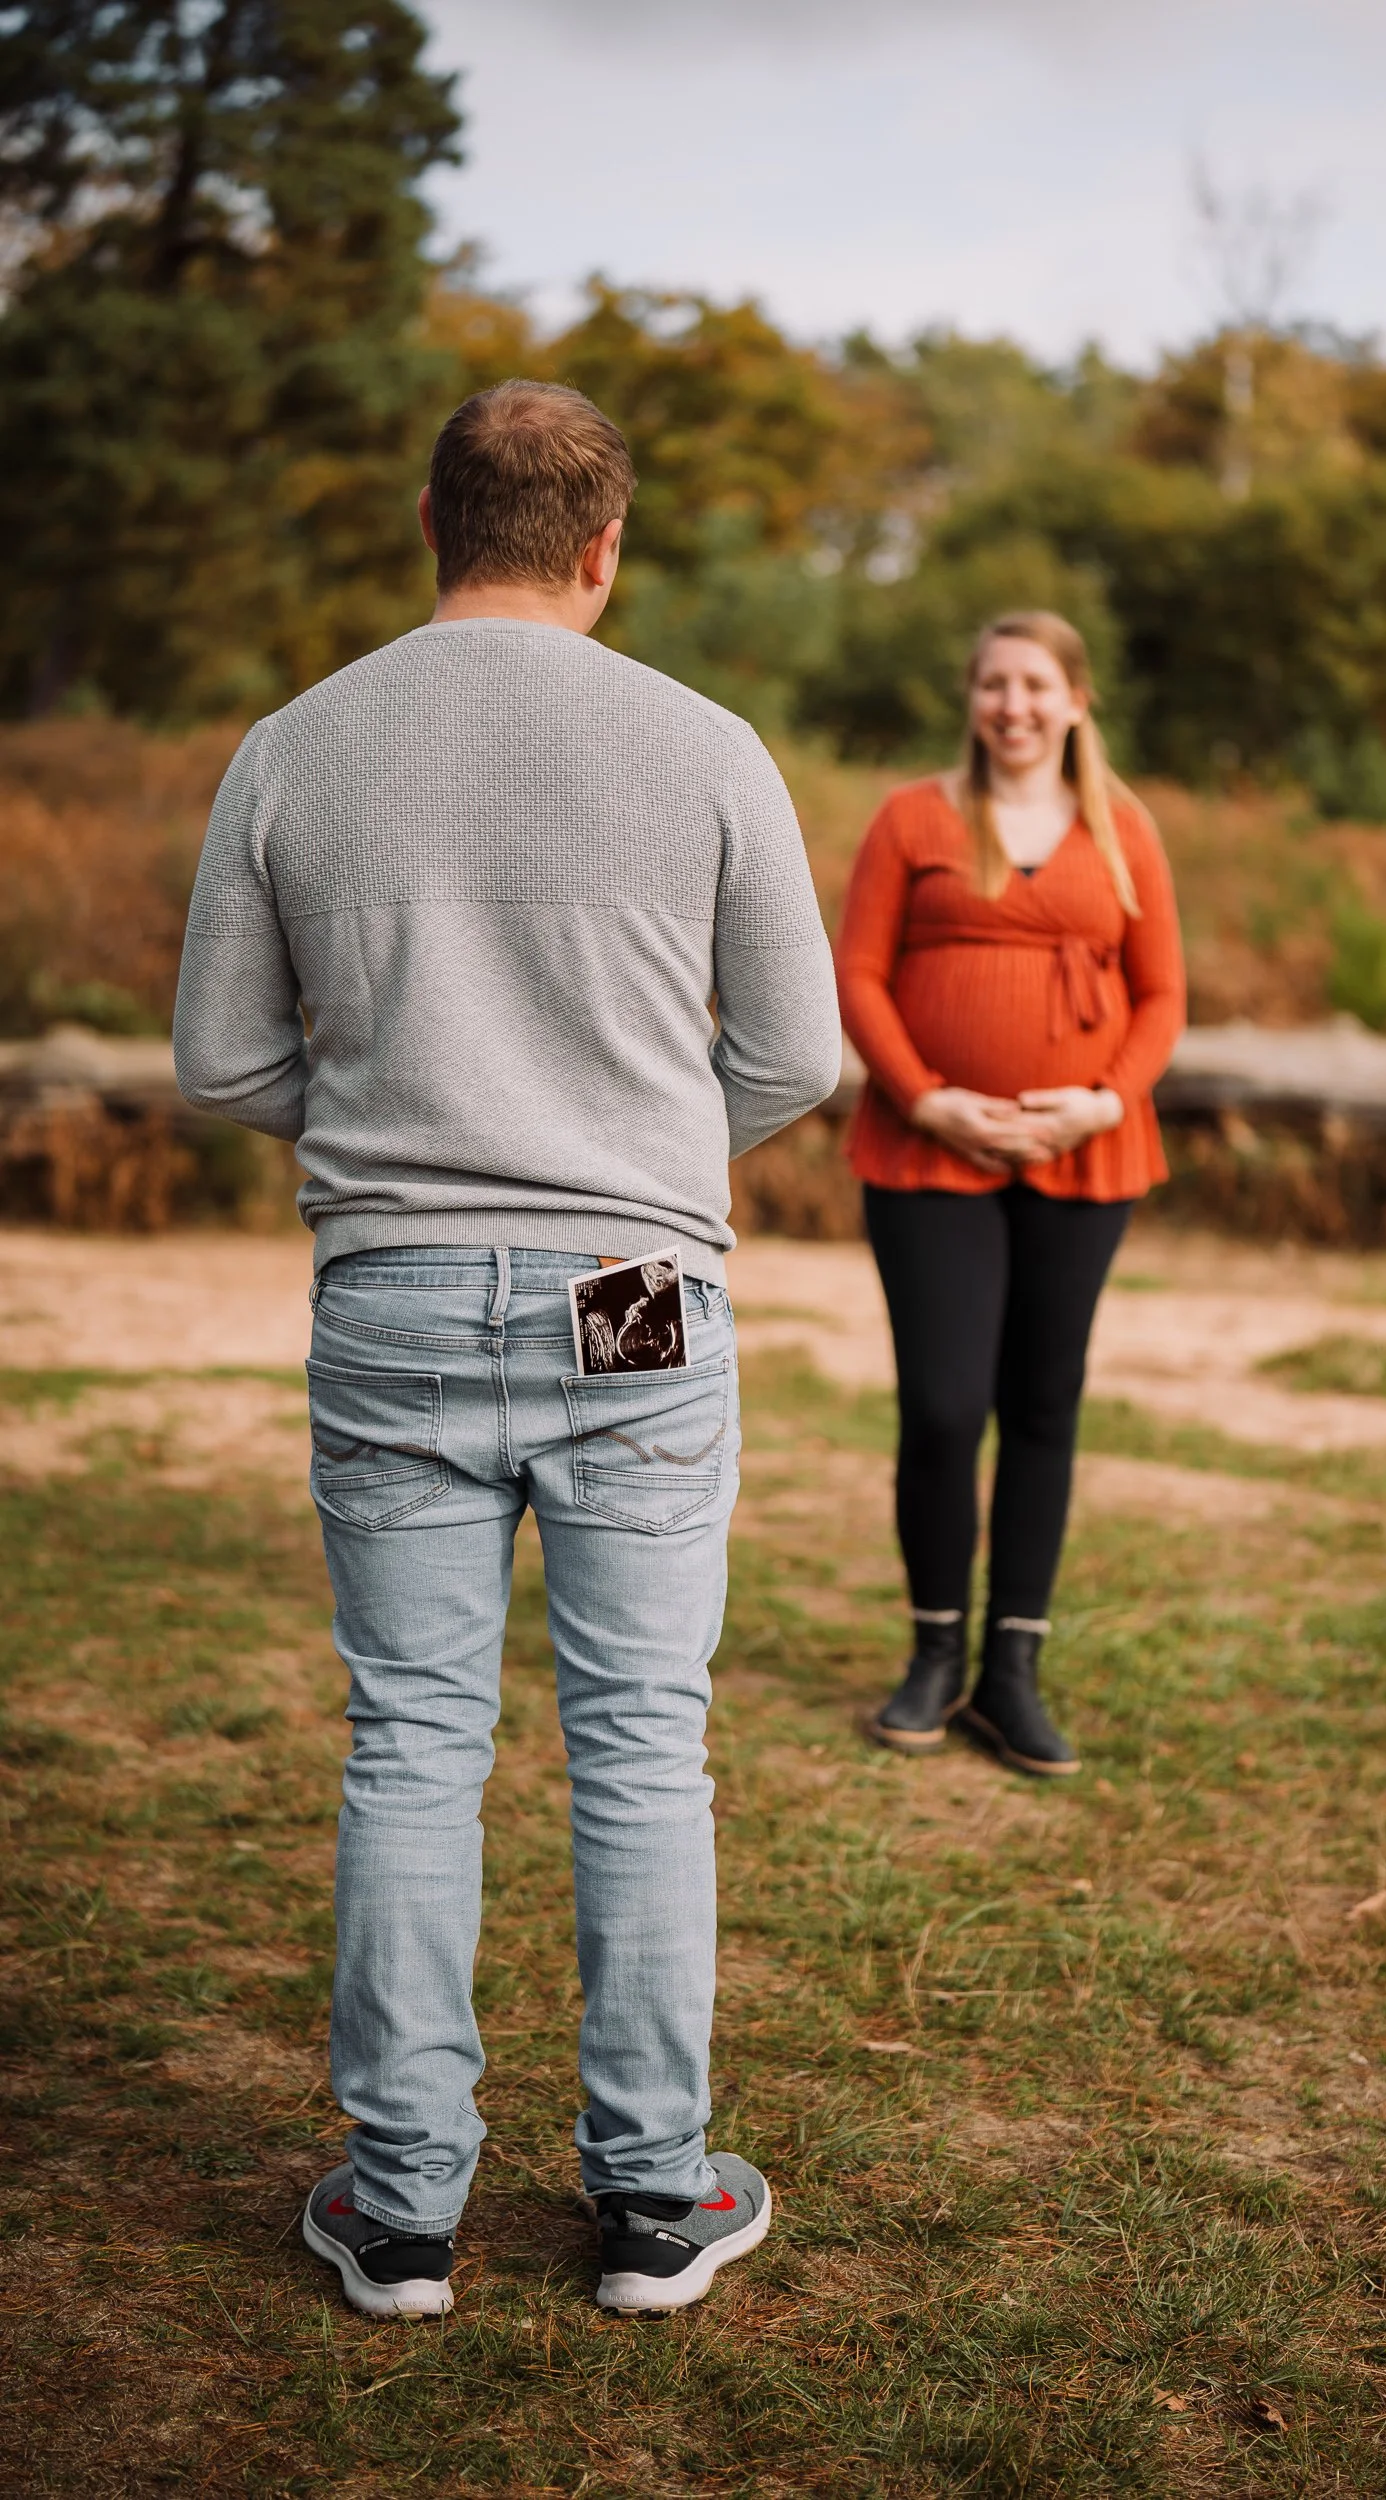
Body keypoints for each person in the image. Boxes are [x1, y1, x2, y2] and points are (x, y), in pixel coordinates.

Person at [172, 380, 842, 2318]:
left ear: (426, 520)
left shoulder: (295, 743)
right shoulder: (703, 743)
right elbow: (794, 1055)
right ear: (604, 545)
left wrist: (400, 1118)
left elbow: (220, 1059)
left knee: (410, 1737)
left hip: (388, 1275)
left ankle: (400, 2209)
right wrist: (624, 1144)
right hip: (631, 1283)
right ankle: (647, 2198)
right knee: (640, 1742)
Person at [834, 611, 1185, 1776]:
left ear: (1076, 699)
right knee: (941, 1405)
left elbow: (1162, 996)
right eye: (993, 683)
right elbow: (858, 974)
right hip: (932, 1149)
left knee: (1043, 1406)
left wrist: (1104, 1100)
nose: (1013, 704)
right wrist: (926, 1096)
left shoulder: (1123, 832)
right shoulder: (912, 818)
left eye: (1035, 684)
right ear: (970, 697)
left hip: (1082, 1153)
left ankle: (1009, 1673)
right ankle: (934, 1652)